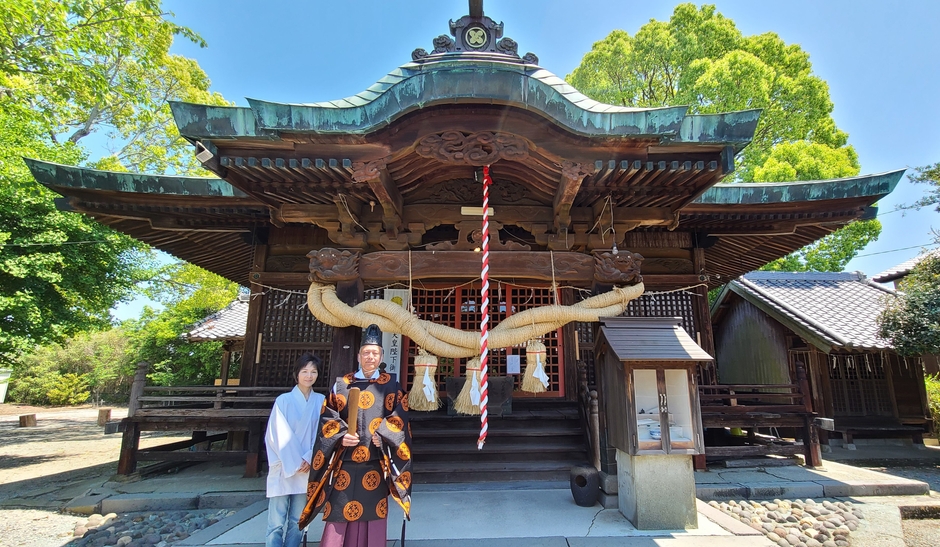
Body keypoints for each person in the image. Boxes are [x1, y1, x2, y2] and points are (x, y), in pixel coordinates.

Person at [299, 324, 412, 547]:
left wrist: (386, 436)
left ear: (381, 356)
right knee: (338, 515)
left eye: (375, 353)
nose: (371, 357)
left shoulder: (391, 385)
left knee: (374, 517)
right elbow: (328, 418)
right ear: (359, 356)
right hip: (345, 464)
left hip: (375, 464)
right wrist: (341, 436)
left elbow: (400, 418)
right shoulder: (342, 384)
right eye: (366, 353)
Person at [264, 353, 326, 547]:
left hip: (307, 467)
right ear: (296, 374)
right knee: (276, 521)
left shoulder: (321, 401)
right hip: (284, 464)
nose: (309, 376)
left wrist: (309, 458)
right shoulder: (283, 401)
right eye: (304, 371)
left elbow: (324, 433)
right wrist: (296, 461)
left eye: (313, 372)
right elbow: (277, 434)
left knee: (298, 520)